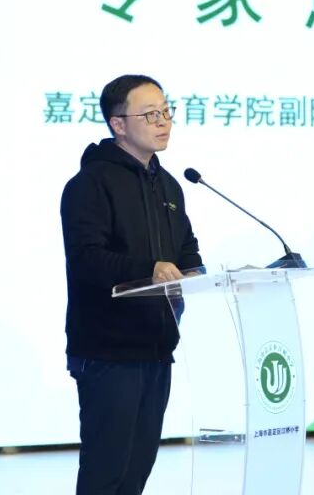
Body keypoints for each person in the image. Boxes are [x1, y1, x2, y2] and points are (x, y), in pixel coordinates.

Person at [60, 74, 203, 495]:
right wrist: (151, 269)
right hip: (107, 352)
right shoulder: (89, 185)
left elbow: (186, 248)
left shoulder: (170, 185)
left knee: (137, 472)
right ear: (118, 124)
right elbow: (87, 260)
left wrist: (195, 272)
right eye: (150, 114)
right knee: (106, 473)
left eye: (167, 112)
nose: (163, 122)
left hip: (156, 348)